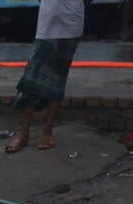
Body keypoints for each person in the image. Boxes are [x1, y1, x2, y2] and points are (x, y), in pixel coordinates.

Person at [7, 0, 85, 153]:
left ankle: (47, 130)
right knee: (32, 81)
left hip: (71, 23)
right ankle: (24, 134)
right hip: (48, 23)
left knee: (58, 78)